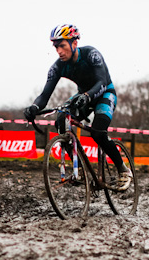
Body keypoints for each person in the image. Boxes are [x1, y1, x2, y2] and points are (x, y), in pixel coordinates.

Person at [25, 24, 131, 190]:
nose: (59, 51)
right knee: (61, 121)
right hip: (83, 96)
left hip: (104, 93)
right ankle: (80, 169)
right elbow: (45, 95)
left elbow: (101, 81)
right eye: (56, 47)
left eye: (62, 46)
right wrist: (34, 107)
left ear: (74, 43)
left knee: (98, 132)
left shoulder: (91, 54)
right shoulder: (58, 66)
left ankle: (123, 170)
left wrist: (87, 96)